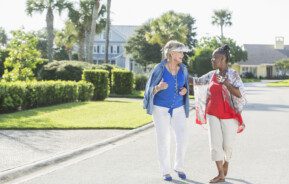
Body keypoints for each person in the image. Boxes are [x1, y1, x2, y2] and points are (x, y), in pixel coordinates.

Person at [192, 45, 246, 183]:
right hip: (212, 114)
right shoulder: (211, 74)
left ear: (222, 59)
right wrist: (179, 72)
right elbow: (196, 82)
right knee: (215, 144)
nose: (212, 60)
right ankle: (220, 174)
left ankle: (226, 161)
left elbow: (240, 94)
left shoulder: (233, 75)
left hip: (229, 114)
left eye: (214, 57)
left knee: (227, 145)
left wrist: (227, 84)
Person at [143, 40, 191, 181]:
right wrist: (158, 87)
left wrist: (184, 90)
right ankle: (165, 171)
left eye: (183, 52)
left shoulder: (183, 68)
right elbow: (148, 90)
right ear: (171, 53)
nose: (183, 54)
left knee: (183, 137)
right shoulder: (159, 68)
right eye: (180, 51)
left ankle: (179, 166)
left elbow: (185, 86)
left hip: (178, 107)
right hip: (160, 108)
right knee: (163, 139)